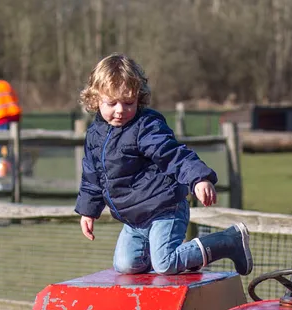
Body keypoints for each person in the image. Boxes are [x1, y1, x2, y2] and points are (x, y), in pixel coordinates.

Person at [74, 54, 252, 276]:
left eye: (128, 102)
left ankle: (228, 241)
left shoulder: (145, 127)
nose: (120, 110)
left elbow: (172, 154)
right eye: (112, 103)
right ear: (95, 99)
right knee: (126, 266)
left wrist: (198, 178)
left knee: (165, 264)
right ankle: (184, 257)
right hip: (134, 218)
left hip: (164, 208)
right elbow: (92, 177)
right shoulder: (94, 135)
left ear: (139, 98)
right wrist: (88, 212)